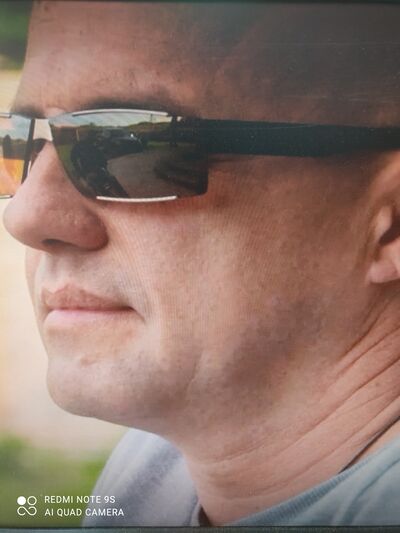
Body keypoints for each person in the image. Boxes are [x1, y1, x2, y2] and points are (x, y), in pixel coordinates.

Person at [3, 0, 400, 527]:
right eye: (18, 143)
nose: (25, 215)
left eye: (128, 145)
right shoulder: (152, 469)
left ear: (391, 223)